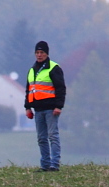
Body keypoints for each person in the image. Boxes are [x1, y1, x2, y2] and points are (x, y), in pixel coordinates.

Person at [25, 40, 65, 172]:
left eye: (41, 52)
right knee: (41, 138)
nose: (39, 55)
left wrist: (59, 106)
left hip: (51, 109)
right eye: (37, 52)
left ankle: (54, 164)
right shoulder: (32, 70)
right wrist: (28, 107)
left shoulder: (54, 68)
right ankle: (45, 165)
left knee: (53, 136)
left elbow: (60, 88)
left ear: (46, 53)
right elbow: (29, 90)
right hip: (38, 110)